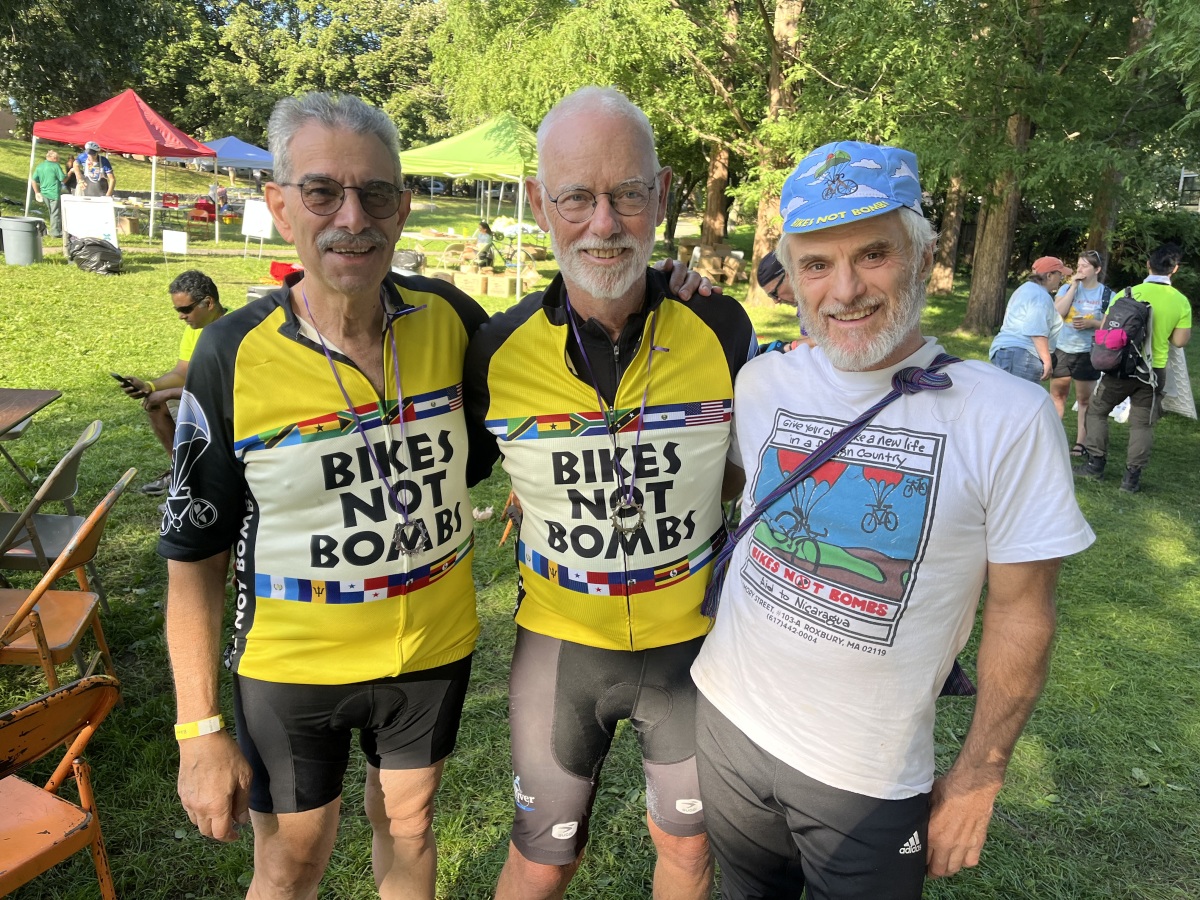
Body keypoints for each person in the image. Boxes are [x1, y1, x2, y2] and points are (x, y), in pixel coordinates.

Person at [689, 140, 1095, 900]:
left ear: (922, 256)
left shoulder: (1007, 416)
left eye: (872, 255)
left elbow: (1022, 613)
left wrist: (979, 777)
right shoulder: (762, 381)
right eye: (816, 264)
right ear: (791, 278)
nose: (844, 289)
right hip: (726, 720)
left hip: (864, 776)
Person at [158, 91, 498, 900]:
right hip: (292, 667)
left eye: (376, 193)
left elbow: (565, 354)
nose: (354, 216)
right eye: (322, 192)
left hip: (431, 652)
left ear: (403, 207)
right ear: (279, 206)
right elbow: (193, 560)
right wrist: (199, 731)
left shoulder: (451, 317)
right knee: (292, 862)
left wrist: (665, 285)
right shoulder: (228, 352)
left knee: (411, 827)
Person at [465, 86, 756, 900]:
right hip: (562, 646)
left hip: (693, 647)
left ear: (660, 198)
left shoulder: (725, 329)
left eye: (628, 194)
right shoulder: (493, 348)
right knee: (541, 858)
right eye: (577, 198)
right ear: (539, 203)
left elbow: (753, 467)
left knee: (692, 852)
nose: (604, 223)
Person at [1075, 242, 1192, 492]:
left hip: (1119, 367)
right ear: (1175, 269)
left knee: (1096, 411)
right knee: (1142, 424)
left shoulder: (1126, 293)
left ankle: (1095, 464)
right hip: (1153, 371)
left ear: (1148, 265)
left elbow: (1107, 328)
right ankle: (1131, 479)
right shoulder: (1180, 301)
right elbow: (1180, 342)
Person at [114, 270, 226, 496]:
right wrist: (149, 387)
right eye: (178, 310)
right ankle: (182, 473)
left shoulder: (230, 329)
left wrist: (168, 394)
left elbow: (221, 388)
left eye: (186, 310)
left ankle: (195, 484)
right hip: (205, 398)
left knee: (164, 401)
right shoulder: (196, 330)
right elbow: (182, 371)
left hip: (228, 406)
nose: (181, 317)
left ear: (208, 302)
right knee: (154, 403)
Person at [1049, 250, 1111, 455]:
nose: (1080, 269)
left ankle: (1081, 443)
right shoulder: (1068, 287)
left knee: (1084, 400)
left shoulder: (1106, 294)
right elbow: (1058, 313)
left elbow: (1112, 325)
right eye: (1078, 264)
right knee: (1058, 396)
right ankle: (1053, 439)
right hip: (1063, 348)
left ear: (1097, 269)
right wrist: (1074, 286)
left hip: (1088, 352)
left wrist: (1092, 323)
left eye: (1085, 266)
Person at [988, 257, 1070, 382]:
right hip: (1022, 356)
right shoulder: (1040, 296)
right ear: (1049, 276)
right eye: (1060, 275)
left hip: (1009, 353)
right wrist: (1047, 361)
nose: (1061, 279)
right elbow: (1037, 331)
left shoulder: (1026, 289)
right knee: (1018, 400)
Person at [30, 149, 66, 237]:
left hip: (44, 192)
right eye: (57, 158)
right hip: (54, 193)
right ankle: (55, 232)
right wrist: (70, 173)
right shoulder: (55, 166)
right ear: (53, 158)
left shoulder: (40, 166)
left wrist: (36, 192)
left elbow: (33, 180)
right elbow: (63, 179)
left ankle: (56, 229)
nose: (58, 160)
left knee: (52, 212)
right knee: (55, 213)